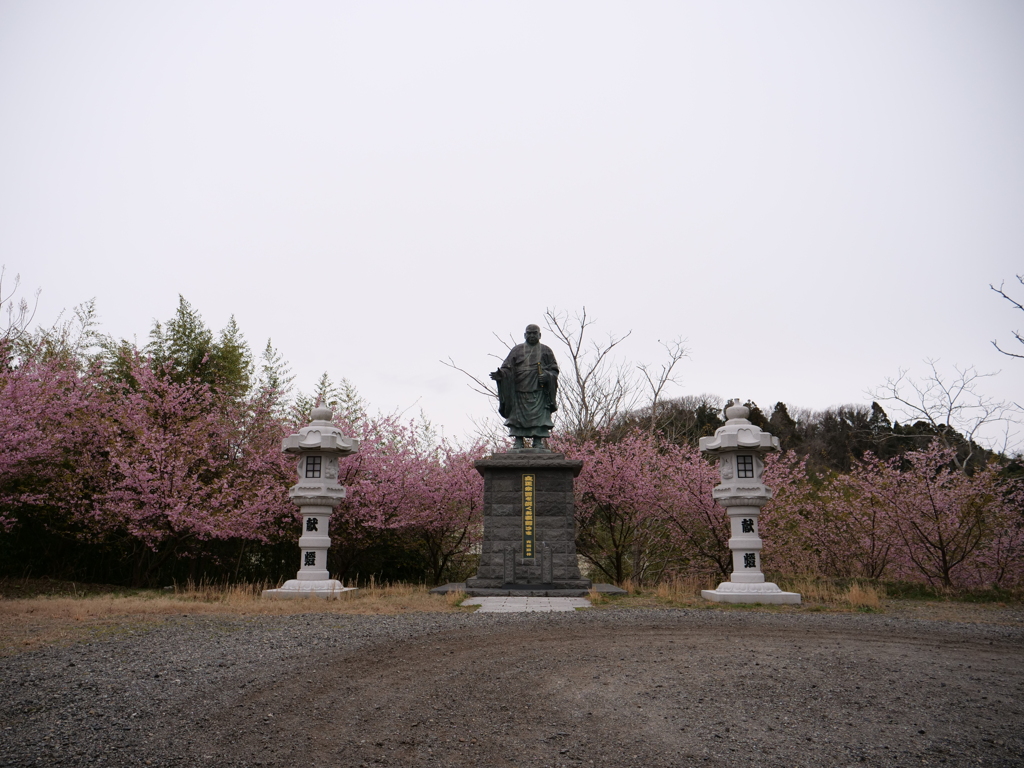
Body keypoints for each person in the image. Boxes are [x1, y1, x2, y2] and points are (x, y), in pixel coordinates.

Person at [490, 324, 559, 450]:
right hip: (519, 389)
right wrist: (501, 375)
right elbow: (506, 368)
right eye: (529, 333)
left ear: (539, 335)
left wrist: (547, 376)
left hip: (538, 389)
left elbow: (554, 370)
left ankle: (538, 441)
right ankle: (518, 440)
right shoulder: (517, 350)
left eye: (534, 333)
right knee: (517, 416)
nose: (532, 335)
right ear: (524, 335)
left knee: (540, 416)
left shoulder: (546, 350)